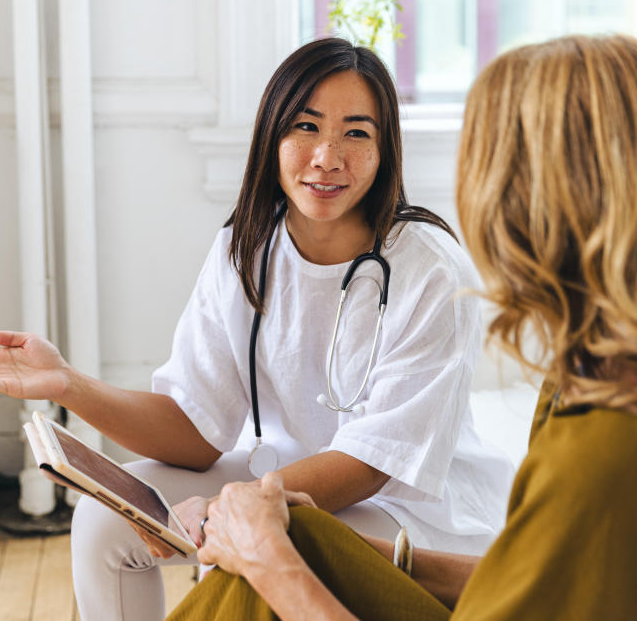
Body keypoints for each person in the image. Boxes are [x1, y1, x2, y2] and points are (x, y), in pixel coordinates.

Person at [0, 37, 513, 621]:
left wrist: (230, 508)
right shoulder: (247, 247)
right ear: (272, 134)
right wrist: (67, 383)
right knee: (101, 521)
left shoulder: (429, 268)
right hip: (284, 475)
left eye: (357, 133)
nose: (327, 157)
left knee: (287, 543)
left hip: (410, 509)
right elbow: (194, 426)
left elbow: (373, 463)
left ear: (387, 149)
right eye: (306, 127)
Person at [166, 33, 637, 620]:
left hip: (427, 527)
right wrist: (325, 547)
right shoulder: (588, 379)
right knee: (301, 538)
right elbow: (530, 580)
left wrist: (272, 560)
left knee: (260, 576)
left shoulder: (605, 444)